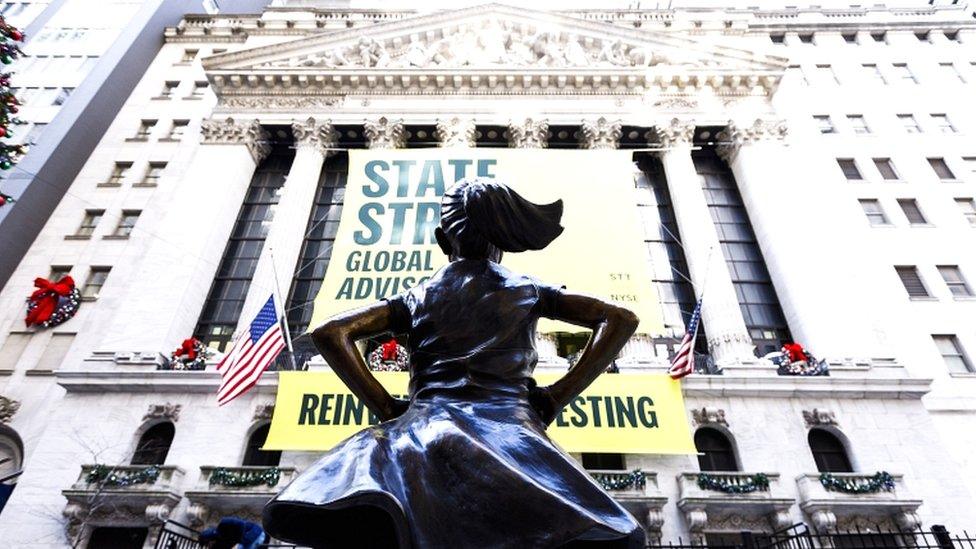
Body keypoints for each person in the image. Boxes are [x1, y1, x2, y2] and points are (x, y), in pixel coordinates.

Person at [264, 178, 645, 548]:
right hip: (511, 433)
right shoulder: (528, 290)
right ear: (502, 241)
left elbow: (331, 332)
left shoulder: (417, 296)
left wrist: (385, 407)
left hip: (423, 432)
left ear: (442, 239)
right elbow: (620, 319)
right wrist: (556, 396)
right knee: (618, 533)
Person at [199, 517, 266, 549]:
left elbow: (241, 524)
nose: (208, 546)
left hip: (256, 534)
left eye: (207, 544)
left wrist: (238, 542)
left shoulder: (224, 523)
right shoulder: (218, 544)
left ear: (210, 539)